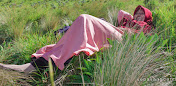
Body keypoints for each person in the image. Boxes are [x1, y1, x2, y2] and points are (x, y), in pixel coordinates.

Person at [0, 5, 153, 74]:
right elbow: (121, 13)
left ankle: (37, 67)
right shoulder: (126, 22)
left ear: (147, 17)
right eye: (137, 13)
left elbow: (140, 41)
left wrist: (136, 21)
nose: (138, 15)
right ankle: (35, 65)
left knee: (85, 19)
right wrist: (130, 18)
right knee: (71, 38)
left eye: (142, 14)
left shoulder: (146, 27)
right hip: (115, 33)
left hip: (122, 39)